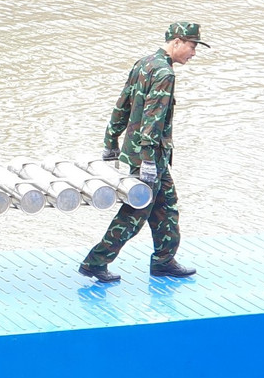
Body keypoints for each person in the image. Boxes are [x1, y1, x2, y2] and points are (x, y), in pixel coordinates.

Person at [78, 22, 209, 284]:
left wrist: (110, 140)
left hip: (140, 154)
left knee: (166, 207)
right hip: (150, 157)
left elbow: (122, 103)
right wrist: (149, 161)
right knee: (135, 213)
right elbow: (153, 119)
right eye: (192, 47)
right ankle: (96, 261)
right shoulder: (164, 74)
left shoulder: (144, 63)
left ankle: (164, 260)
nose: (193, 53)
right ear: (178, 42)